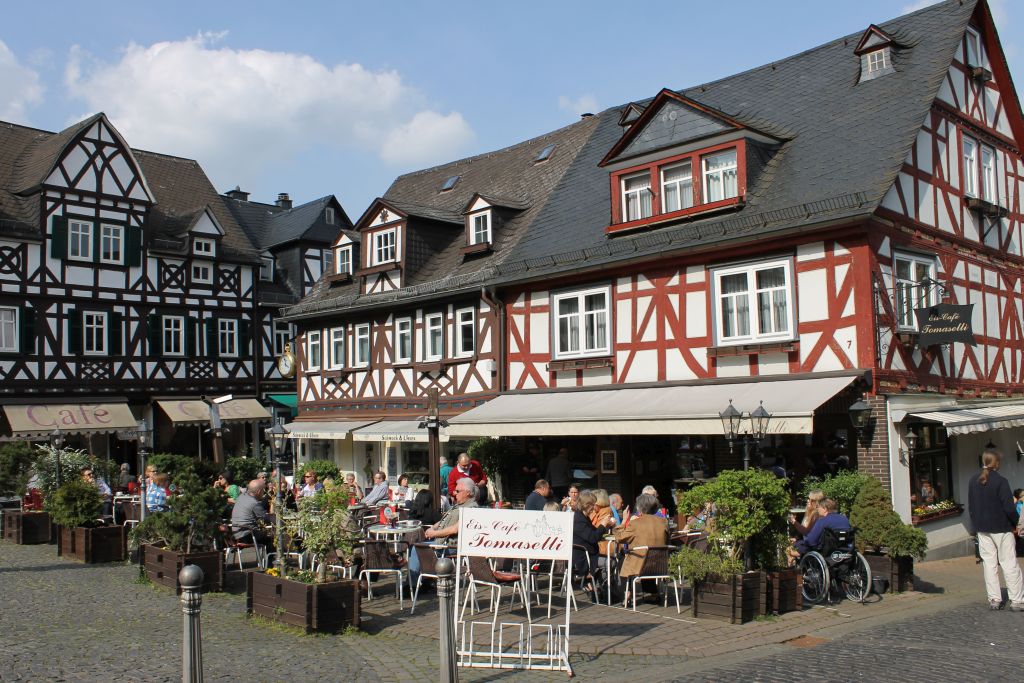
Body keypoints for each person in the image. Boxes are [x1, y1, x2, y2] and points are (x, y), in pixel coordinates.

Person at [968, 449, 1023, 610]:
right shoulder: (1001, 481)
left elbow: (971, 507)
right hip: (1002, 528)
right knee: (1009, 563)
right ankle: (1017, 600)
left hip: (982, 528)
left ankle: (994, 599)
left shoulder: (973, 480)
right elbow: (1009, 508)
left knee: (989, 564)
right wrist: (1016, 524)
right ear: (997, 463)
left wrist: (976, 524)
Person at [614, 493, 669, 582]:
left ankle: (627, 592)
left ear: (639, 507)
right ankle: (653, 593)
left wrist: (624, 521)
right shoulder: (664, 522)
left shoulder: (635, 523)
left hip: (639, 566)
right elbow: (667, 541)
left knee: (621, 560)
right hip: (660, 565)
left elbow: (620, 538)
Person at [572, 490, 615, 580]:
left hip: (589, 554)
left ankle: (598, 588)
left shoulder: (583, 517)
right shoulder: (579, 520)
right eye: (593, 504)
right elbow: (593, 537)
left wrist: (608, 529)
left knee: (611, 561)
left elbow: (595, 533)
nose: (594, 507)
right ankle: (600, 588)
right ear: (587, 505)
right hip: (583, 558)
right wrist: (603, 524)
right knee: (610, 562)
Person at [424, 477, 479, 546]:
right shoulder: (459, 505)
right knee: (416, 545)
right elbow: (444, 520)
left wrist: (434, 533)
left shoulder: (471, 508)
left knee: (416, 549)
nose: (454, 493)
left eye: (457, 491)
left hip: (450, 546)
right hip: (441, 542)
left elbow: (455, 529)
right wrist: (432, 528)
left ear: (467, 492)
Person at [231, 480, 271, 544]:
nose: (264, 492)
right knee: (272, 538)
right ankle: (272, 554)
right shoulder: (254, 503)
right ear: (258, 492)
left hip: (236, 534)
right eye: (263, 490)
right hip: (247, 535)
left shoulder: (241, 497)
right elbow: (266, 519)